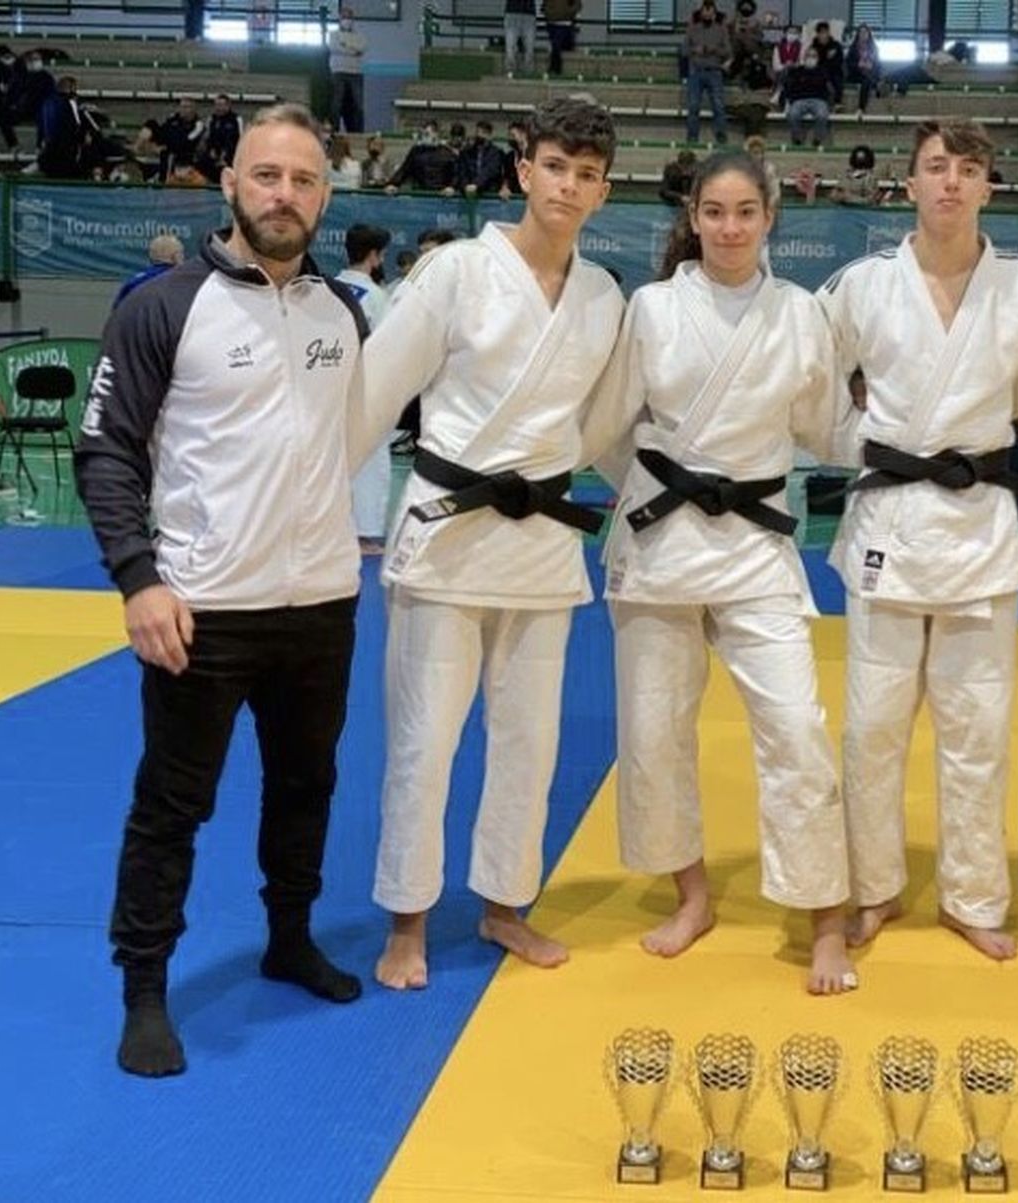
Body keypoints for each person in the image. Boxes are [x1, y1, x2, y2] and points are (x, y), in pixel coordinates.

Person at [74, 102, 368, 1078]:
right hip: (200, 609)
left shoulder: (343, 312)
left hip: (322, 601)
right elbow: (107, 450)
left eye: (304, 179)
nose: (285, 195)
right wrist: (138, 578)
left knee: (306, 784)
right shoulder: (162, 306)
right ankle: (145, 986)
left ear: (326, 194)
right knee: (172, 803)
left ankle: (289, 937)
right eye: (268, 176)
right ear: (233, 183)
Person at [348, 99, 626, 992]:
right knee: (425, 739)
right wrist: (308, 507)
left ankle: (506, 904)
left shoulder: (602, 295)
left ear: (603, 189)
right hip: (447, 533)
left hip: (541, 538)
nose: (568, 185)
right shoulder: (456, 272)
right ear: (523, 172)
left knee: (530, 740)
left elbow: (604, 424)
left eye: (586, 173)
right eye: (555, 166)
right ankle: (408, 918)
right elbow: (373, 394)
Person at [581, 151, 856, 994]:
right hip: (660, 543)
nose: (730, 228)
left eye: (745, 212)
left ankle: (824, 919)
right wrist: (654, 485)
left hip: (756, 543)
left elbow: (828, 430)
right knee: (656, 730)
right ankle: (691, 894)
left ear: (770, 216)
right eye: (714, 212)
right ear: (692, 218)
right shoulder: (652, 308)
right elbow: (603, 427)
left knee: (797, 729)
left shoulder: (802, 314)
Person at [816, 118, 1018, 961]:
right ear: (909, 185)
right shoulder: (862, 285)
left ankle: (974, 895)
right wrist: (860, 447)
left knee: (977, 726)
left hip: (981, 528)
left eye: (968, 168)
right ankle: (872, 887)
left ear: (991, 186)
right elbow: (814, 385)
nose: (951, 181)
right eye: (934, 167)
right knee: (871, 726)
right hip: (889, 520)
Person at [338, 223, 394, 555]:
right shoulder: (376, 296)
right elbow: (389, 346)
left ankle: (336, 529)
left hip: (330, 387)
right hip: (367, 387)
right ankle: (365, 533)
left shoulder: (330, 287)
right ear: (373, 256)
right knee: (371, 460)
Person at [684, 0, 730, 145]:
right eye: (705, 11)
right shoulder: (692, 29)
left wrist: (715, 50)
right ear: (701, 12)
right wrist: (695, 50)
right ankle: (692, 137)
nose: (707, 15)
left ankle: (721, 135)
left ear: (714, 14)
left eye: (710, 12)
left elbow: (728, 51)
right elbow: (683, 50)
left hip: (714, 71)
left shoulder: (721, 30)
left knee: (718, 106)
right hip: (696, 71)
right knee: (693, 106)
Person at [113, 233, 186, 307]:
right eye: (181, 253)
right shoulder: (180, 282)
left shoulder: (134, 281)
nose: (183, 258)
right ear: (175, 257)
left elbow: (117, 311)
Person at [385, 121, 458, 194]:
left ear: (436, 134)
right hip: (420, 192)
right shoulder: (416, 152)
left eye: (427, 134)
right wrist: (393, 184)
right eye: (422, 134)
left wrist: (452, 187)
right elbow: (404, 170)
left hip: (441, 194)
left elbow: (456, 174)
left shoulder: (448, 153)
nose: (424, 137)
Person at [783, 47, 832, 147]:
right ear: (804, 58)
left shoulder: (822, 71)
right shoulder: (797, 71)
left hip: (818, 100)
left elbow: (828, 89)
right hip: (799, 100)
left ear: (817, 58)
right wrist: (789, 101)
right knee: (793, 114)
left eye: (813, 56)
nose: (811, 58)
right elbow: (790, 87)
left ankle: (817, 140)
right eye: (808, 55)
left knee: (822, 115)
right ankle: (797, 140)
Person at [329, 6, 367, 134]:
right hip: (338, 71)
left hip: (356, 72)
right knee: (336, 104)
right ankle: (334, 131)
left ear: (353, 19)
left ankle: (358, 133)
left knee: (358, 106)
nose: (347, 20)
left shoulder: (360, 36)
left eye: (349, 17)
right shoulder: (333, 35)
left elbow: (362, 48)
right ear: (340, 19)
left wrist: (344, 45)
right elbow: (334, 48)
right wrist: (353, 50)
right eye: (344, 17)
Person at [156, 96, 204, 180]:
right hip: (169, 152)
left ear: (193, 109)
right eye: (182, 107)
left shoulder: (198, 125)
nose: (184, 110)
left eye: (187, 107)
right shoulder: (172, 120)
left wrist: (170, 143)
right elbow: (162, 134)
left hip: (187, 155)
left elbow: (187, 142)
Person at [199, 93, 244, 182]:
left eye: (222, 105)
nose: (219, 108)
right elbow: (207, 137)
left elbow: (240, 139)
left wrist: (225, 157)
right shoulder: (212, 119)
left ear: (228, 105)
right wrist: (212, 151)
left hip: (230, 155)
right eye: (217, 105)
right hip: (214, 154)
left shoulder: (236, 119)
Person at [456, 119, 506, 194]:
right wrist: (465, 185)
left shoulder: (496, 153)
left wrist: (476, 184)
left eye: (483, 133)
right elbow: (462, 171)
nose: (479, 135)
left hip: (490, 193)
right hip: (469, 192)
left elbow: (490, 171)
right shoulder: (467, 152)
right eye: (477, 132)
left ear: (489, 135)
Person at [846, 23, 880, 114]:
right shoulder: (853, 48)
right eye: (861, 32)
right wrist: (858, 64)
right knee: (867, 79)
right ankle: (876, 86)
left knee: (867, 79)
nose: (863, 34)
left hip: (869, 74)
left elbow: (878, 66)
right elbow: (848, 64)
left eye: (865, 32)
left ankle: (861, 108)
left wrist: (871, 66)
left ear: (869, 34)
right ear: (858, 34)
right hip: (856, 74)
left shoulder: (874, 48)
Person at [542, 0, 582, 76]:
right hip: (552, 23)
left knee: (556, 44)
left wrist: (568, 13)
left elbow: (577, 5)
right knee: (555, 44)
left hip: (565, 24)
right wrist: (549, 13)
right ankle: (555, 68)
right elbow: (545, 6)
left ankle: (555, 68)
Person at [810, 21, 844, 108]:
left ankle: (837, 102)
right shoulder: (813, 47)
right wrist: (826, 57)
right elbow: (813, 61)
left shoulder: (836, 45)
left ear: (829, 33)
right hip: (819, 71)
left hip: (834, 70)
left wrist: (828, 60)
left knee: (837, 78)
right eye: (821, 33)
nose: (823, 35)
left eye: (825, 32)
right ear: (817, 34)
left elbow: (839, 60)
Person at [504, 0, 538, 76]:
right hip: (513, 13)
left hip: (527, 13)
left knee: (529, 46)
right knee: (511, 46)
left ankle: (528, 70)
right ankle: (510, 70)